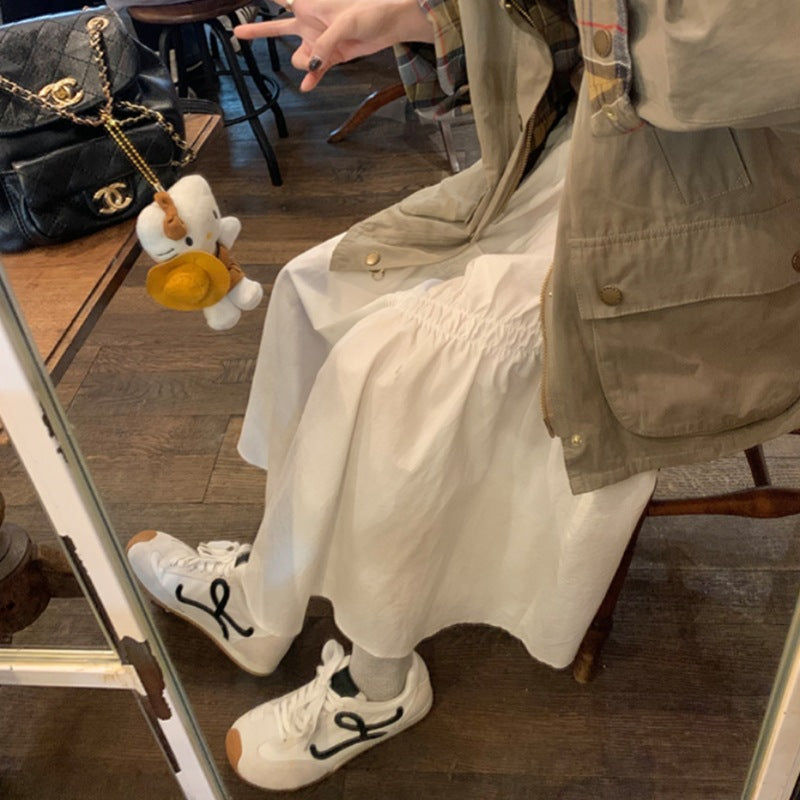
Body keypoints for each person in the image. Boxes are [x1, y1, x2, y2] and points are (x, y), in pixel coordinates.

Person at [126, 0, 800, 792]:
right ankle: (269, 591)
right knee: (318, 287)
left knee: (399, 371)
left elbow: (715, 64)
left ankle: (378, 686)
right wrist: (422, 18)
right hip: (581, 159)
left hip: (728, 204)